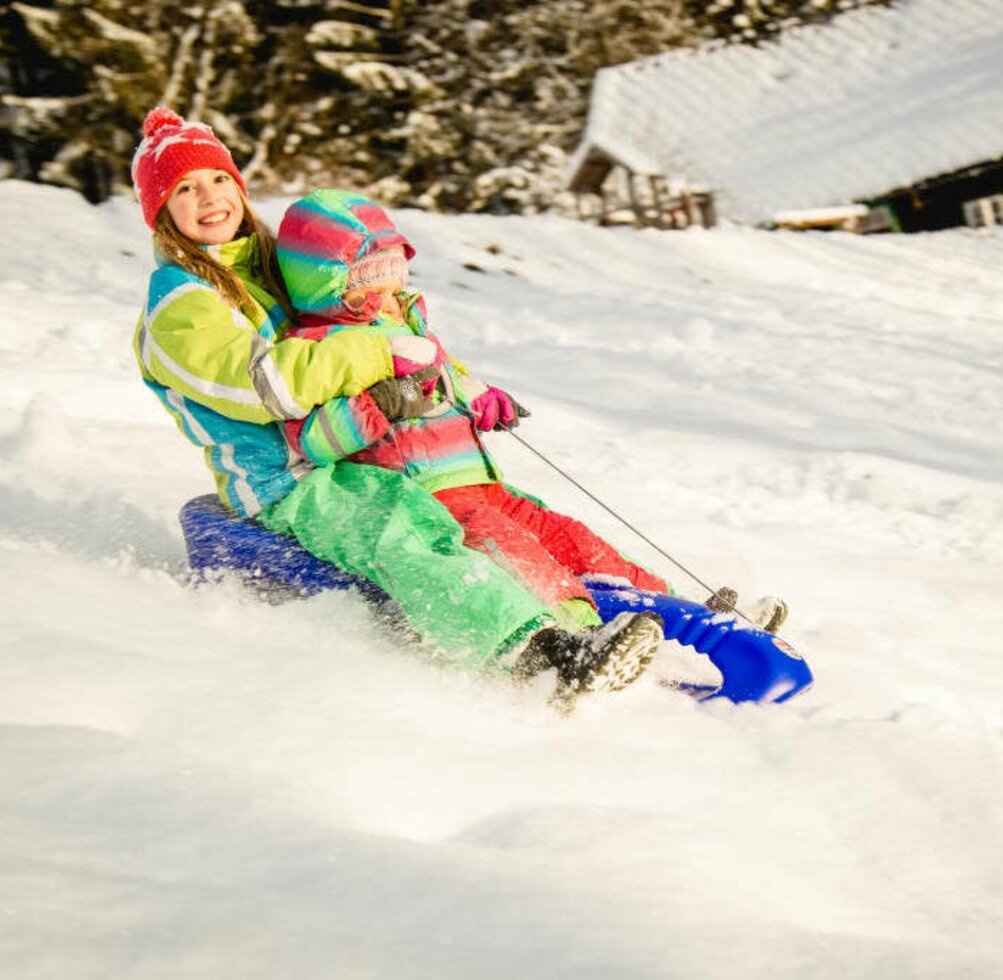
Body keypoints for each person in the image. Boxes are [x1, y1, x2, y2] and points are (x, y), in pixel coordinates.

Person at [129, 106, 664, 699]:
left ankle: (663, 615)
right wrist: (380, 360)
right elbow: (269, 386)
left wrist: (460, 386)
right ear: (160, 212)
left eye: (219, 178)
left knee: (511, 517)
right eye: (185, 187)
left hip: (353, 454)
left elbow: (372, 318)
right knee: (403, 533)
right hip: (290, 479)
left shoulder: (268, 264)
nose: (210, 196)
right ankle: (536, 656)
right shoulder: (181, 303)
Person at [273, 188, 788, 636]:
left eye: (394, 269)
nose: (387, 290)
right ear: (325, 284)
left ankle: (685, 616)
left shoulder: (410, 329)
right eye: (370, 276)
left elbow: (447, 377)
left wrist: (478, 397)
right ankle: (576, 635)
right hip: (430, 499)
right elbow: (311, 441)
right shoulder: (319, 349)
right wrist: (379, 405)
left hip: (483, 484)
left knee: (573, 538)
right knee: (519, 552)